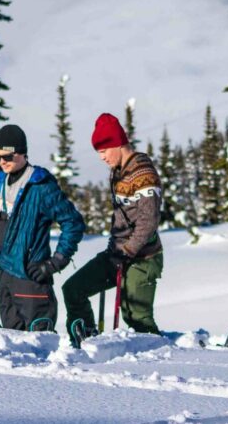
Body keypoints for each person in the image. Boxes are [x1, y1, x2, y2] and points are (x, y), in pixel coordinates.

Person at [63, 113, 163, 342]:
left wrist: (125, 252)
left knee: (137, 318)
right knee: (73, 289)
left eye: (103, 150)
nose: (101, 157)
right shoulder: (117, 173)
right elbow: (121, 217)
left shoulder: (143, 174)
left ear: (117, 144)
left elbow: (148, 222)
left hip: (142, 258)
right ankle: (86, 341)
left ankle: (161, 356)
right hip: (117, 253)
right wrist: (114, 251)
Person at [0, 123, 85, 331]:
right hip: (5, 278)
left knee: (41, 350)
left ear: (22, 153)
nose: (2, 162)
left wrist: (55, 262)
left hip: (32, 279)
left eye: (8, 156)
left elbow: (73, 222)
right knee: (13, 350)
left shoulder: (41, 185)